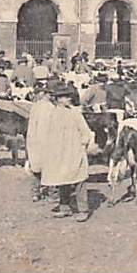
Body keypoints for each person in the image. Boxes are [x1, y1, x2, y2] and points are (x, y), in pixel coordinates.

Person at [39, 84, 94, 222]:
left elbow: (85, 131)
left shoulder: (74, 113)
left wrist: (82, 145)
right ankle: (64, 207)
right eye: (64, 96)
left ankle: (83, 209)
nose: (68, 98)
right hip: (58, 151)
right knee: (62, 177)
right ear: (57, 99)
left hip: (74, 150)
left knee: (79, 179)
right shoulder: (51, 114)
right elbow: (45, 133)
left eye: (68, 96)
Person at [26, 84, 53, 202]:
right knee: (50, 167)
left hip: (36, 139)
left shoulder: (35, 107)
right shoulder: (53, 108)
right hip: (47, 140)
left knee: (36, 167)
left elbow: (31, 126)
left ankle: (36, 192)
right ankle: (52, 192)